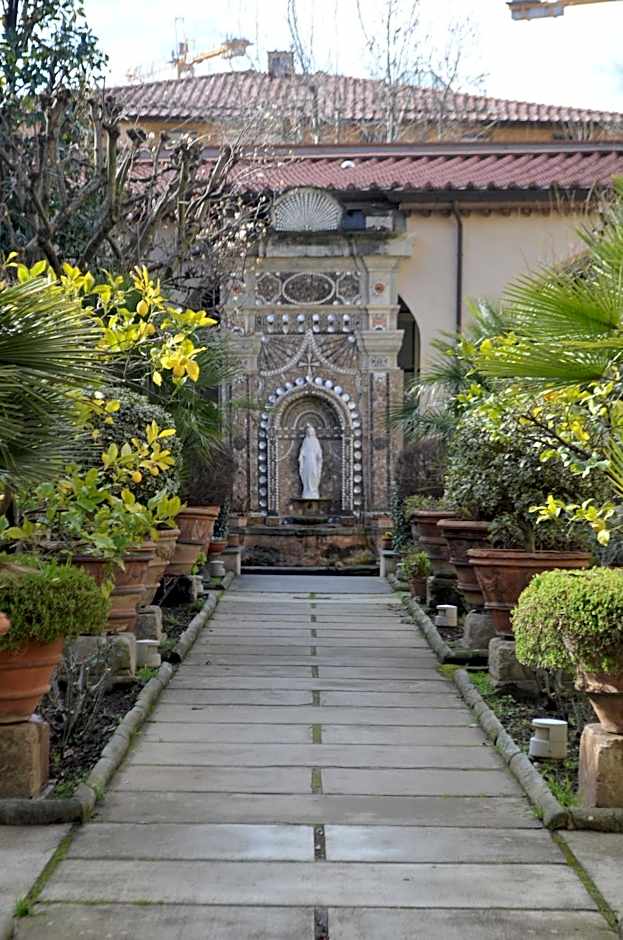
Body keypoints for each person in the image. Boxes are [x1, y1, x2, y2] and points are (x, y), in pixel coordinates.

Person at [298, 424, 323, 499]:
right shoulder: (306, 441)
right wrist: (300, 456)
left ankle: (313, 490)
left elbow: (319, 451)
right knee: (307, 474)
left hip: (313, 460)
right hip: (307, 460)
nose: (310, 433)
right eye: (308, 431)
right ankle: (307, 490)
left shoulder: (316, 441)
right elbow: (302, 450)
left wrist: (319, 457)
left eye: (311, 431)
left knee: (314, 474)